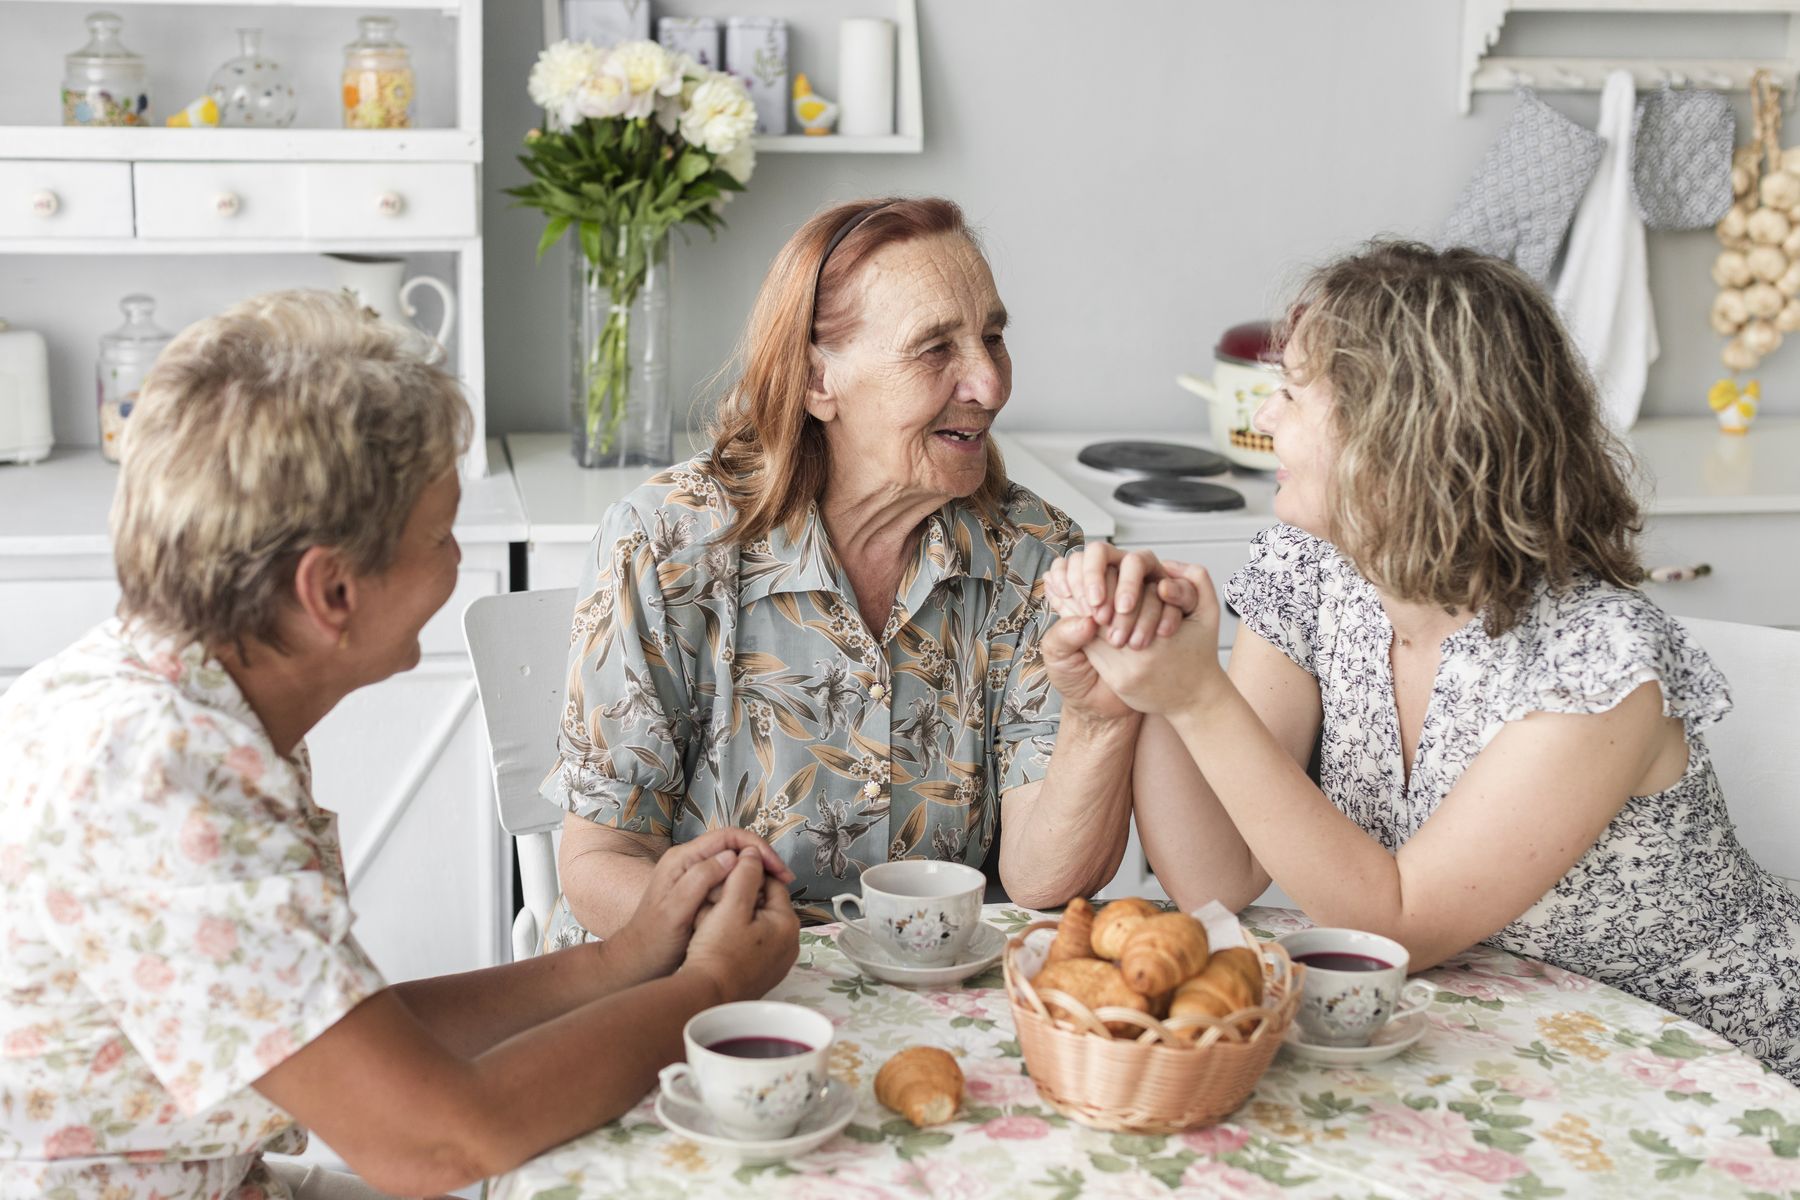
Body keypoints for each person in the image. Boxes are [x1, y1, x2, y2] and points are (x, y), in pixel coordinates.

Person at [0, 291, 800, 1200]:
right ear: (331, 592)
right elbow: (437, 1142)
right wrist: (709, 991)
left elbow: (355, 1033)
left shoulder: (182, 708)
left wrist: (623, 959)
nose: (456, 558)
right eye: (439, 533)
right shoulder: (155, 782)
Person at [1048, 241, 1800, 1080]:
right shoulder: (1312, 571)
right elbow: (1213, 880)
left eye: (1292, 394)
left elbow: (1394, 925)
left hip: (1704, 1064)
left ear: (1393, 437)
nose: (1266, 419)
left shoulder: (1595, 662)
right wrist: (1151, 664)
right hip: (1484, 1041)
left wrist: (1198, 699)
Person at [543, 197, 1182, 939]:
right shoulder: (667, 545)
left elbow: (1042, 881)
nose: (991, 385)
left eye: (994, 338)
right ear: (819, 382)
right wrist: (746, 948)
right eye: (936, 349)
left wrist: (1101, 721)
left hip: (923, 989)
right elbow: (601, 859)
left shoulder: (1033, 555)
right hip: (698, 983)